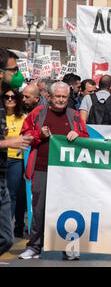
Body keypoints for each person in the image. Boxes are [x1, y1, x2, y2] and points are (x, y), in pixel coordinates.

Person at [19, 81, 89, 260]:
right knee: (39, 209)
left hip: (68, 172)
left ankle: (69, 248)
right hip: (42, 168)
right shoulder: (38, 113)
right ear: (49, 97)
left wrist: (79, 136)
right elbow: (24, 137)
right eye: (57, 96)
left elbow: (86, 138)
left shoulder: (74, 115)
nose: (60, 100)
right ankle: (34, 246)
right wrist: (39, 135)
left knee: (68, 209)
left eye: (64, 97)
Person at [0, 47, 33, 256]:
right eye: (13, 70)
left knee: (6, 238)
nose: (17, 74)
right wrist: (8, 142)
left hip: (2, 174)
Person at [3, 89, 27, 238]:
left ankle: (6, 227)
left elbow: (27, 138)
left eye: (13, 97)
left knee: (11, 195)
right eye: (7, 97)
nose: (10, 99)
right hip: (2, 158)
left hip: (16, 161)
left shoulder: (24, 118)